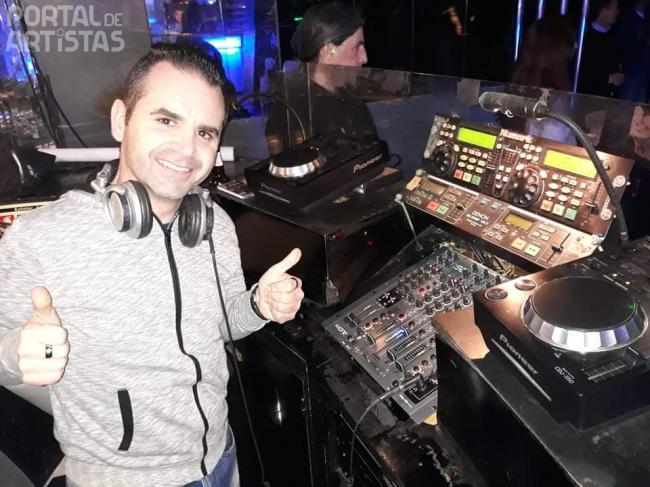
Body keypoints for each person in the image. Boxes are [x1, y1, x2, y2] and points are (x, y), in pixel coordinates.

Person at [0, 43, 304, 486]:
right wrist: (16, 353)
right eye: (166, 121)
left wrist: (259, 305)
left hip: (220, 459)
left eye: (205, 132)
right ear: (121, 119)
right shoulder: (41, 238)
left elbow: (222, 325)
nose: (187, 149)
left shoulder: (213, 225)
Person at [265, 2, 377, 155]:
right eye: (357, 47)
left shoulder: (351, 100)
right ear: (328, 50)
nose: (364, 58)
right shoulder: (291, 110)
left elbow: (372, 155)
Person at [506, 16, 577, 145]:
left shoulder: (519, 81)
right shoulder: (554, 95)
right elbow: (555, 141)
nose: (576, 46)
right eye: (571, 42)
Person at [578, 0, 624, 98]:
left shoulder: (613, 37)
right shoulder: (586, 38)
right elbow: (584, 72)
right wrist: (608, 79)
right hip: (589, 98)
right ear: (604, 10)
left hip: (609, 98)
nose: (618, 12)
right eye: (615, 9)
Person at [615, 0, 650, 102]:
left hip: (644, 72)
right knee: (626, 105)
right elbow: (624, 45)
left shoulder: (647, 19)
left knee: (638, 106)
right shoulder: (627, 19)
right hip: (630, 71)